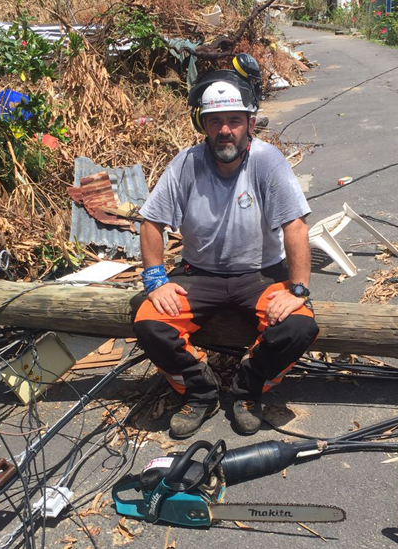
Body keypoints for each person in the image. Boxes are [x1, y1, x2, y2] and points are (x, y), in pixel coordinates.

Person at [132, 55, 319, 439]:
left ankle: (249, 388)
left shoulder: (268, 161)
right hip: (198, 273)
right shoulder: (186, 163)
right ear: (201, 124)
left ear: (249, 123)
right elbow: (152, 222)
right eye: (215, 121)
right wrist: (155, 278)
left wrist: (298, 288)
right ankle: (199, 391)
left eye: (234, 120)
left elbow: (295, 226)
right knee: (148, 321)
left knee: (299, 327)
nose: (225, 130)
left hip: (262, 273)